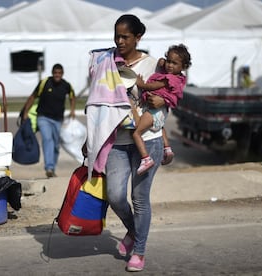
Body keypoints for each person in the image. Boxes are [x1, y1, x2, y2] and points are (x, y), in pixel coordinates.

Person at [84, 14, 166, 272]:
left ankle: (139, 251)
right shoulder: (106, 62)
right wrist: (91, 138)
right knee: (116, 195)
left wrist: (161, 101)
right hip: (117, 140)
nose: (119, 41)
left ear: (138, 37)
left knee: (139, 198)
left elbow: (171, 95)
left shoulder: (153, 65)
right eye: (116, 36)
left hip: (148, 140)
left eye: (125, 37)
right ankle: (133, 231)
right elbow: (96, 103)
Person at [134, 44, 191, 175]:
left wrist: (140, 83)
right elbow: (163, 63)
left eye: (174, 63)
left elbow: (153, 86)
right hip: (161, 114)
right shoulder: (179, 78)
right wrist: (162, 61)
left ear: (183, 66)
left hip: (154, 111)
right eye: (169, 61)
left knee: (137, 133)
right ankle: (167, 148)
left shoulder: (169, 79)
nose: (169, 65)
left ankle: (145, 158)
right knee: (160, 128)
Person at [22, 63, 76, 178]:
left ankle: (52, 168)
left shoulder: (66, 85)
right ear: (52, 73)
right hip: (43, 117)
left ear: (62, 74)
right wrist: (25, 112)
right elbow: (33, 96)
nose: (57, 75)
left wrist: (72, 110)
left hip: (58, 119)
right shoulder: (45, 83)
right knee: (47, 140)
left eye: (59, 73)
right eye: (55, 73)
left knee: (56, 144)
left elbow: (72, 97)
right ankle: (49, 168)